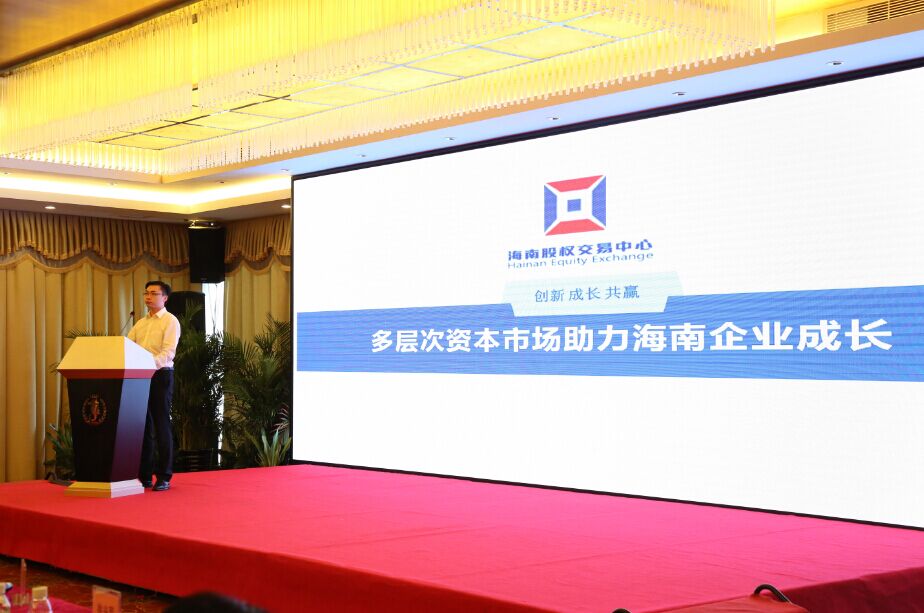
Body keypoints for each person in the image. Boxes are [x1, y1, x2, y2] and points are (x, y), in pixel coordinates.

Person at [128, 280, 181, 491]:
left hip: (161, 376)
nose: (148, 297)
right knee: (144, 427)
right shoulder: (140, 323)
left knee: (161, 425)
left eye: (153, 293)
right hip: (140, 377)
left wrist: (147, 364)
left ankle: (164, 476)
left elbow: (168, 353)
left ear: (164, 298)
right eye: (146, 293)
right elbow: (128, 347)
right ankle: (144, 475)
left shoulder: (170, 321)